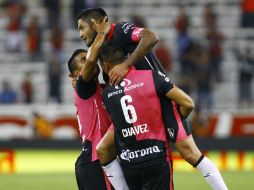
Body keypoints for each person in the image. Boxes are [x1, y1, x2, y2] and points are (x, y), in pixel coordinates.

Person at [76, 8, 228, 190]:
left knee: (190, 153)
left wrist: (126, 64)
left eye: (82, 28)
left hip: (158, 98)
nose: (81, 34)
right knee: (104, 150)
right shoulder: (101, 48)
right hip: (134, 107)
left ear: (96, 22)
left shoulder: (121, 30)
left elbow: (151, 37)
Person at [100, 41, 177, 189]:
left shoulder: (108, 93)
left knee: (102, 149)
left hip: (131, 163)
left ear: (105, 65)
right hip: (156, 155)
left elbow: (118, 124)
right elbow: (187, 103)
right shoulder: (150, 76)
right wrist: (172, 126)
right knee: (193, 155)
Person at [67, 17, 128, 190]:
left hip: (107, 158)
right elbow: (93, 59)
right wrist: (101, 32)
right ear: (75, 75)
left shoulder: (105, 89)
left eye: (87, 57)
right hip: (92, 161)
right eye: (82, 60)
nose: (88, 60)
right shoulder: (83, 89)